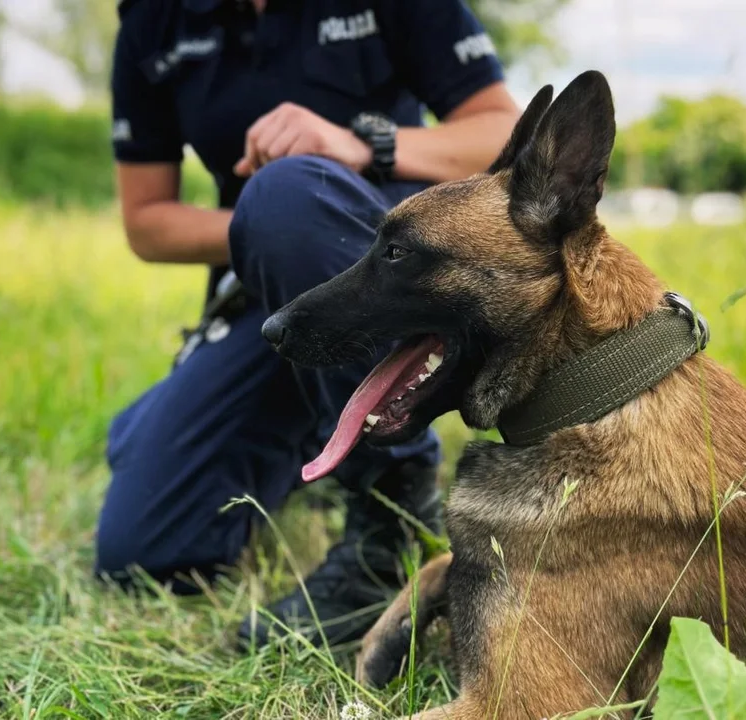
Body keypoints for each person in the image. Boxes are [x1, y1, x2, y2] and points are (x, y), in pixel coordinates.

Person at [97, 0, 520, 649]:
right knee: (142, 553)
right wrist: (267, 227)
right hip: (267, 302)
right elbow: (147, 221)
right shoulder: (155, 22)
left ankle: (391, 526)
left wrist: (364, 147)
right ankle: (298, 436)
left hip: (383, 278)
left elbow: (503, 134)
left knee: (286, 194)